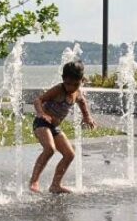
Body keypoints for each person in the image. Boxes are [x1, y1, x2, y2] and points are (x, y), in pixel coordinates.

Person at [30, 60, 96, 193]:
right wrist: (41, 113)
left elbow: (82, 102)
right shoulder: (58, 89)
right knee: (49, 149)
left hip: (54, 126)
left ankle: (55, 185)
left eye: (75, 84)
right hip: (41, 123)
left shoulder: (77, 93)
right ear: (63, 79)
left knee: (69, 154)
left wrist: (87, 117)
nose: (71, 87)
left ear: (81, 80)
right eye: (68, 83)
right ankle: (34, 181)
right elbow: (38, 100)